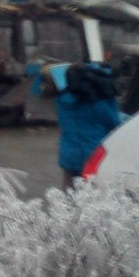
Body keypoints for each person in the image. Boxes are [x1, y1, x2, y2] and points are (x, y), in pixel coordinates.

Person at [44, 61, 124, 190]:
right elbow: (115, 125)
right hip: (93, 159)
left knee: (69, 197)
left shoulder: (62, 102)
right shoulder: (100, 104)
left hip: (69, 158)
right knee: (92, 198)